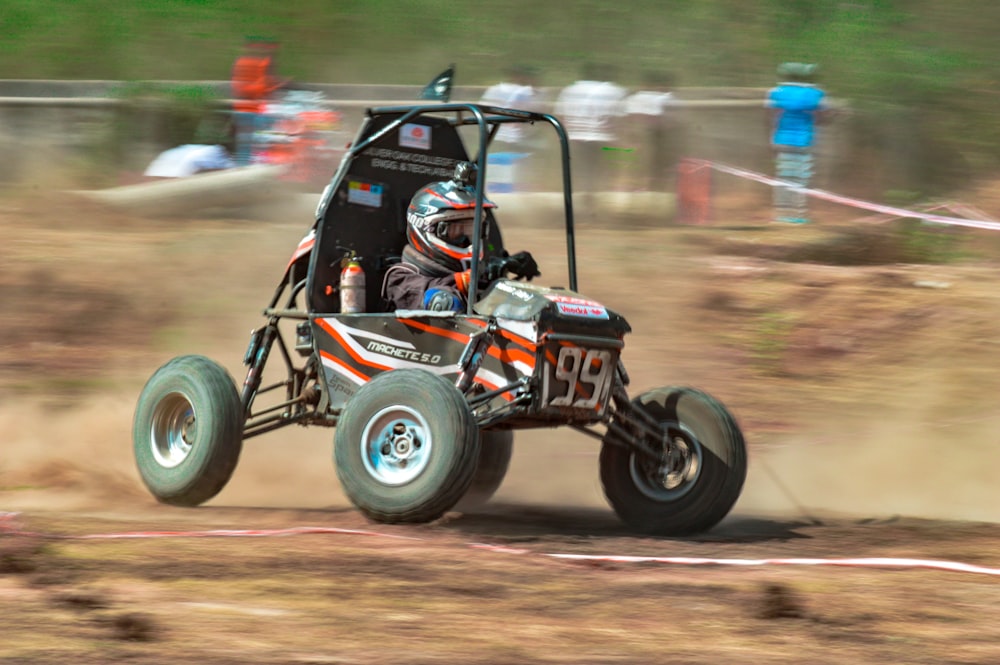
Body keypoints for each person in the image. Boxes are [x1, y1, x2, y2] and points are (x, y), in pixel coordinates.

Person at [382, 162, 540, 312]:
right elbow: (437, 297)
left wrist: (503, 266)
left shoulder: (467, 270)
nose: (468, 241)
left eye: (473, 231)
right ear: (428, 229)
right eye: (457, 232)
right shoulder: (400, 278)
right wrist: (471, 279)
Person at [765, 62, 828, 224]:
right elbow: (822, 116)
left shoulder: (776, 92)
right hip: (804, 141)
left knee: (783, 177)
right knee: (800, 178)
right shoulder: (815, 94)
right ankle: (797, 215)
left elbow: (771, 114)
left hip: (781, 139)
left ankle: (781, 213)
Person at [554, 64, 627, 200]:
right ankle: (592, 197)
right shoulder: (613, 90)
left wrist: (563, 135)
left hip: (575, 136)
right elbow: (617, 118)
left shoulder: (569, 90)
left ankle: (583, 195)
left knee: (582, 169)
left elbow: (561, 116)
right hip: (601, 137)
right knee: (599, 169)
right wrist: (620, 138)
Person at [479, 65, 543, 192]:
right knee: (514, 171)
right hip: (514, 137)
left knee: (495, 169)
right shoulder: (524, 91)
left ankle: (494, 191)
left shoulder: (494, 89)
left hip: (494, 134)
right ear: (519, 77)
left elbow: (482, 110)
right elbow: (532, 111)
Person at [230, 38, 289, 165]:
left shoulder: (244, 62)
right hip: (251, 110)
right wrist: (275, 86)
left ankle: (245, 167)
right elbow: (257, 86)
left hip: (249, 110)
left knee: (247, 144)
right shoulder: (257, 63)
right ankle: (248, 168)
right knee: (252, 144)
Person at [624, 70, 679, 192]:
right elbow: (664, 121)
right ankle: (650, 187)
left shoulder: (634, 97)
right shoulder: (663, 98)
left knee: (636, 161)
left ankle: (635, 186)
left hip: (636, 134)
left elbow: (628, 119)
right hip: (652, 134)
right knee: (653, 162)